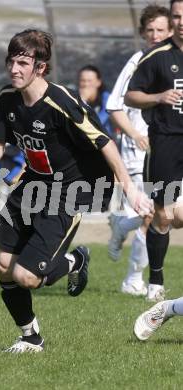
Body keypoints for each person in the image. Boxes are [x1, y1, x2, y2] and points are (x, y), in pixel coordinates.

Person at [0, 29, 153, 353]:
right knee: (3, 265)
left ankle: (74, 261)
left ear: (40, 67)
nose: (14, 69)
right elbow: (0, 143)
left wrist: (129, 189)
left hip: (68, 192)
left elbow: (105, 142)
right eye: (11, 62)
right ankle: (31, 338)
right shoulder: (7, 98)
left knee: (26, 276)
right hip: (31, 185)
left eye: (23, 63)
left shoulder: (62, 102)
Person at [106, 4, 172, 297]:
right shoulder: (139, 59)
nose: (155, 35)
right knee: (154, 214)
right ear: (143, 34)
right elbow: (113, 106)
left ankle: (122, 225)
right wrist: (135, 134)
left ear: (171, 30)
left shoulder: (175, 60)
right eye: (150, 31)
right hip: (139, 153)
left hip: (169, 149)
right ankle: (134, 279)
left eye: (161, 30)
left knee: (164, 215)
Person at [125, 0, 183, 302]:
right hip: (166, 141)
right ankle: (156, 281)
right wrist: (159, 96)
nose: (182, 21)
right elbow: (131, 96)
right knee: (163, 216)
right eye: (177, 16)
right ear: (171, 19)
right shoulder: (156, 56)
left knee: (178, 216)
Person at [78, 65, 114, 137]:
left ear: (98, 82)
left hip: (103, 140)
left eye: (89, 81)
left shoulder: (107, 99)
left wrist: (83, 102)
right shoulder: (73, 98)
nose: (86, 84)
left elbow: (98, 123)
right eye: (83, 80)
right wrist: (81, 101)